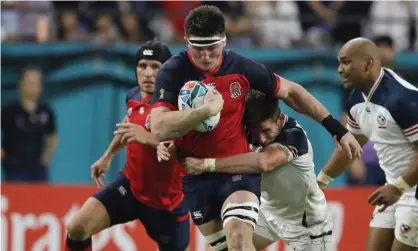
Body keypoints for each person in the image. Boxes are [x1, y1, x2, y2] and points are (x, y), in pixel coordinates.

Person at [150, 5, 361, 251]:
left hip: (237, 174)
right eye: (198, 48)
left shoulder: (241, 67)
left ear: (225, 40)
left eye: (212, 47)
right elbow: (159, 127)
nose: (206, 55)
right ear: (185, 41)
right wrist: (204, 112)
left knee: (239, 241)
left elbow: (292, 91)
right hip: (195, 179)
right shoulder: (172, 73)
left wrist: (335, 127)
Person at [163, 90, 333, 251]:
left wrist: (206, 165)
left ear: (280, 119)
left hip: (307, 223)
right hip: (268, 213)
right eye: (255, 131)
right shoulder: (247, 130)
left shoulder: (294, 136)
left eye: (266, 130)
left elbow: (263, 163)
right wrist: (169, 144)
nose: (261, 138)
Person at [65, 40, 190, 251]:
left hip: (166, 206)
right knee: (77, 227)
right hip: (130, 189)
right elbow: (128, 124)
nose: (148, 73)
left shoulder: (179, 105)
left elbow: (183, 152)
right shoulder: (132, 96)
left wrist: (147, 138)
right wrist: (108, 155)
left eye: (155, 67)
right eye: (143, 66)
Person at [317, 37, 418, 251]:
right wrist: (320, 181)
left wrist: (399, 188)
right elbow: (351, 147)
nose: (339, 70)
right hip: (393, 189)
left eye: (345, 62)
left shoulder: (404, 99)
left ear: (368, 64)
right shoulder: (355, 100)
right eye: (338, 63)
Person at [1, 66, 57, 182]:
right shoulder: (9, 111)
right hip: (14, 166)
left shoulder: (45, 111)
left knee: (39, 197)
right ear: (21, 84)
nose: (34, 86)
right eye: (30, 82)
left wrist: (49, 154)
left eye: (37, 83)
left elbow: (52, 135)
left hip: (37, 167)